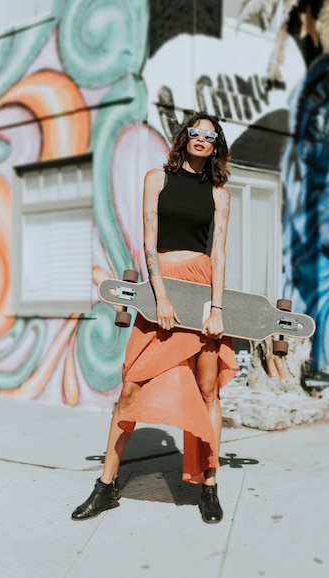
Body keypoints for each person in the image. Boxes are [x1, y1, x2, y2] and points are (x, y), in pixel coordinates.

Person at [71, 113, 239, 524]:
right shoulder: (157, 179)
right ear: (185, 138)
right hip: (161, 290)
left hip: (201, 290)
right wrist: (160, 296)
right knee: (130, 388)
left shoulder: (219, 194)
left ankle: (208, 486)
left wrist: (217, 309)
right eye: (195, 132)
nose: (201, 139)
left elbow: (217, 253)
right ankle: (105, 486)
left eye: (210, 135)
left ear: (216, 145)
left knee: (207, 390)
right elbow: (149, 240)